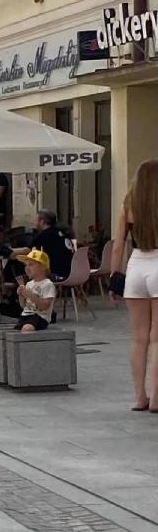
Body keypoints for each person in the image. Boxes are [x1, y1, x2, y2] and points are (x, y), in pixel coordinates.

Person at [111, 159, 158, 411]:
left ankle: (140, 397)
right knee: (157, 339)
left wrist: (113, 277)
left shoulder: (129, 205)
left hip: (136, 265)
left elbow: (118, 245)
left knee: (138, 338)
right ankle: (157, 399)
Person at [14, 209, 74, 281]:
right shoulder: (62, 232)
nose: (35, 223)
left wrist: (8, 250)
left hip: (57, 274)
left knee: (25, 273)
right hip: (72, 272)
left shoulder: (46, 234)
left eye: (36, 220)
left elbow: (27, 251)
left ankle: (32, 291)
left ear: (42, 222)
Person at [16, 249, 56, 332]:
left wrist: (31, 295)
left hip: (41, 316)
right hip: (26, 315)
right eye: (26, 265)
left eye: (31, 265)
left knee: (27, 328)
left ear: (42, 267)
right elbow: (23, 306)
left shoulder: (48, 284)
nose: (27, 268)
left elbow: (45, 306)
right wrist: (20, 295)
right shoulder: (29, 284)